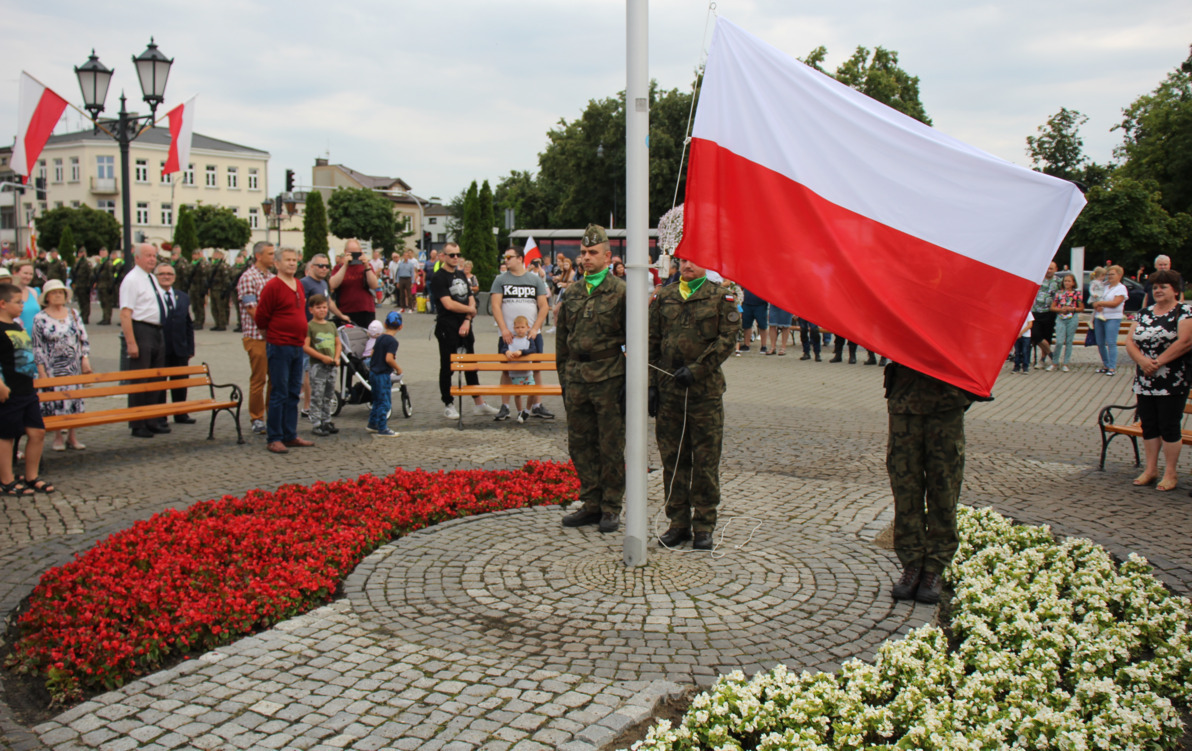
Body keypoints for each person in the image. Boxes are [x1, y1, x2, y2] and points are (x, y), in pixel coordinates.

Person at [648, 256, 739, 550]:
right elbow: (650, 340)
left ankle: (703, 524)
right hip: (670, 390)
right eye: (683, 260)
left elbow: (727, 340)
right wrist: (650, 385)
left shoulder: (720, 297)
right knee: (673, 460)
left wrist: (698, 369)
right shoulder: (664, 296)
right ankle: (678, 523)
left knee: (705, 460)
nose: (687, 265)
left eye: (694, 260)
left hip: (704, 392)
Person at [885, 363, 982, 604]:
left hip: (947, 401)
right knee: (905, 487)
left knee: (944, 487)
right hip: (905, 400)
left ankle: (935, 566)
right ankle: (912, 563)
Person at [557, 224, 627, 534]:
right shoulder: (571, 292)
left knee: (609, 444)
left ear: (608, 257)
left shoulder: (621, 291)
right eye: (583, 253)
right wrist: (564, 378)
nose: (586, 258)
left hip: (608, 377)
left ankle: (611, 506)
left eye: (592, 253)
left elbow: (635, 340)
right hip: (576, 377)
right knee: (580, 443)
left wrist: (631, 382)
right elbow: (562, 341)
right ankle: (591, 502)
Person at [1124, 270, 1192, 492]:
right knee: (1150, 425)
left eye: (1163, 286)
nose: (1158, 291)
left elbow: (1185, 342)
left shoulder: (1184, 312)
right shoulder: (1144, 313)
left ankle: (1170, 472)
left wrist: (1158, 362)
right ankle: (1150, 469)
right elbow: (1130, 341)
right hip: (1145, 379)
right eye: (1155, 287)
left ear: (1175, 290)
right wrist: (1143, 362)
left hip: (1172, 379)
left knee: (1169, 425)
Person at [432, 242, 499, 419]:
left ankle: (479, 403)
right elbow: (448, 304)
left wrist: (468, 319)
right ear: (443, 256)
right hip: (447, 326)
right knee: (448, 366)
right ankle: (448, 403)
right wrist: (469, 310)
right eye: (451, 255)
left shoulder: (462, 274)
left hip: (465, 325)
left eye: (457, 254)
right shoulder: (439, 277)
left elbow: (471, 299)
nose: (455, 258)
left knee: (471, 365)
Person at [255, 247, 312, 454]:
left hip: (297, 344)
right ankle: (275, 437)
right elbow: (261, 316)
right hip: (279, 345)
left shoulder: (298, 284)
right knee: (279, 391)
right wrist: (268, 334)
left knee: (293, 391)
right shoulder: (273, 286)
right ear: (277, 264)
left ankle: (290, 434)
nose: (291, 263)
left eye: (294, 260)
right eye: (287, 260)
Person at [0, 282, 53, 496]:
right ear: (2, 304)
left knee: (37, 432)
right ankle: (6, 480)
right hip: (8, 390)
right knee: (6, 435)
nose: (22, 305)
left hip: (26, 390)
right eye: (18, 302)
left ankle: (31, 476)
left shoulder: (18, 326)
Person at [490, 246, 553, 422]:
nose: (506, 260)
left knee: (536, 367)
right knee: (506, 369)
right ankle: (505, 407)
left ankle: (537, 405)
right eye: (505, 257)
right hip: (508, 335)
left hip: (532, 335)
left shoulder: (534, 280)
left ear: (520, 258)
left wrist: (535, 329)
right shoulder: (500, 280)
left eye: (509, 256)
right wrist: (503, 329)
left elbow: (544, 307)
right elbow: (495, 305)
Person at [32, 279, 91, 451]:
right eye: (54, 293)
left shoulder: (73, 313)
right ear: (47, 297)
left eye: (61, 292)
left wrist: (85, 358)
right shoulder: (40, 318)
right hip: (52, 367)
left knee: (74, 401)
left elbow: (83, 337)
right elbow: (37, 346)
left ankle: (72, 437)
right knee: (55, 402)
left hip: (73, 366)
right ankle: (58, 436)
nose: (58, 295)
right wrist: (41, 371)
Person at [119, 243, 169, 439]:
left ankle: (151, 419)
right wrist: (131, 342)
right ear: (137, 258)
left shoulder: (150, 278)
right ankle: (138, 422)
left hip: (156, 331)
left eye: (154, 256)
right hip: (141, 330)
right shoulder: (132, 280)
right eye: (147, 256)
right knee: (140, 379)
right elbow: (125, 314)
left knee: (156, 378)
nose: (152, 259)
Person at [237, 241, 276, 435]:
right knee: (258, 378)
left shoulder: (272, 277)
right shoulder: (248, 277)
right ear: (259, 256)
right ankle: (257, 417)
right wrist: (266, 326)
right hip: (256, 335)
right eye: (270, 254)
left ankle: (272, 413)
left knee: (274, 378)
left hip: (273, 336)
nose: (273, 257)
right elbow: (252, 308)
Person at [155, 263, 196, 425]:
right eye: (162, 274)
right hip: (160, 347)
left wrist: (190, 347)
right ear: (156, 277)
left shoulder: (183, 296)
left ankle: (180, 413)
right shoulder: (153, 296)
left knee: (180, 381)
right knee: (160, 384)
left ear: (175, 277)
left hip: (180, 347)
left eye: (169, 274)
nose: (166, 277)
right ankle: (161, 415)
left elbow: (188, 324)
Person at [303, 293, 341, 438]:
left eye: (324, 307)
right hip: (318, 366)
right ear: (311, 309)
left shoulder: (331, 325)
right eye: (318, 308)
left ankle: (327, 420)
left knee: (329, 394)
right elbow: (305, 347)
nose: (322, 310)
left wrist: (336, 358)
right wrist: (321, 357)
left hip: (331, 365)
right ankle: (316, 423)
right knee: (317, 395)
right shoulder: (310, 326)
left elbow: (338, 344)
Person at [498, 315, 541, 423]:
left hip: (527, 373)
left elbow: (533, 350)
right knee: (517, 394)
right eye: (517, 328)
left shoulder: (529, 340)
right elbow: (503, 348)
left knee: (532, 392)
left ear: (527, 328)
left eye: (522, 327)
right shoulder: (510, 340)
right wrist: (507, 352)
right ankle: (519, 412)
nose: (520, 330)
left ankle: (527, 410)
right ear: (514, 328)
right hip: (515, 373)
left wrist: (521, 352)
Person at [367, 311, 403, 437]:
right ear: (401, 326)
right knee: (385, 402)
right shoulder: (393, 341)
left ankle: (372, 424)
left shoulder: (380, 337)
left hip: (373, 373)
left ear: (385, 324)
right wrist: (398, 368)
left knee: (376, 400)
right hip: (382, 374)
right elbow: (389, 359)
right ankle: (382, 427)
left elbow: (372, 353)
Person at [329, 239, 379, 329]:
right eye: (351, 253)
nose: (354, 256)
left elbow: (374, 285)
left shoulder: (366, 266)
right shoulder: (339, 267)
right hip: (345, 311)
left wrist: (367, 266)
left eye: (356, 253)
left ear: (361, 252)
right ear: (345, 252)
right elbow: (332, 284)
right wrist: (345, 265)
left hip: (365, 310)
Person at [1091, 264, 1128, 376]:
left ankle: (1112, 367)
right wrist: (1096, 305)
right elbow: (1095, 298)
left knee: (1111, 342)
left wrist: (1101, 303)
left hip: (1113, 318)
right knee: (1100, 342)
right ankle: (1106, 364)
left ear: (1119, 275)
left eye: (1112, 274)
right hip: (1099, 316)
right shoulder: (1104, 286)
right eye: (1108, 274)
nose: (1109, 276)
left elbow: (1115, 303)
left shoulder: (1121, 288)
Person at [1050, 273, 1084, 372]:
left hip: (1072, 317)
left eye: (1069, 281)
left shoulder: (1077, 294)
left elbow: (1081, 308)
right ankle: (1055, 362)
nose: (1067, 283)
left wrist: (1072, 309)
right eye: (1065, 281)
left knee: (1069, 341)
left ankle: (1066, 362)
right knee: (1059, 341)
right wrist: (1060, 310)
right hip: (1061, 317)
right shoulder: (1059, 293)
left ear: (1073, 283)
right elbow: (1053, 307)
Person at [1031, 261, 1061, 370]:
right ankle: (1051, 355)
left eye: (1051, 268)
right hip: (1036, 311)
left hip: (1049, 312)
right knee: (1035, 335)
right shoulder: (1039, 279)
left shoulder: (1058, 281)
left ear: (1056, 269)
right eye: (1047, 268)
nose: (1049, 271)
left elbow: (1062, 295)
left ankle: (1042, 359)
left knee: (1046, 336)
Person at [10, 260, 40, 333]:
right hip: (16, 335)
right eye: (25, 273)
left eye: (31, 274)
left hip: (34, 337)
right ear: (15, 273)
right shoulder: (9, 292)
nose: (28, 277)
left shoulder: (34, 292)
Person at [207, 249, 233, 331]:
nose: (215, 255)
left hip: (220, 289)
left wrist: (225, 290)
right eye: (214, 253)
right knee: (214, 307)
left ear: (221, 256)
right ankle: (217, 323)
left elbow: (226, 279)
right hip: (213, 289)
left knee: (220, 307)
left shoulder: (222, 266)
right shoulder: (211, 265)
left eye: (217, 254)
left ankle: (222, 324)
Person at [738, 288, 768, 353]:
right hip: (747, 303)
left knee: (762, 325)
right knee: (746, 325)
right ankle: (746, 345)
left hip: (761, 304)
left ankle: (764, 346)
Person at [71, 247, 93, 325]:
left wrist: (89, 285)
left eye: (83, 253)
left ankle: (85, 317)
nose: (81, 254)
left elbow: (90, 275)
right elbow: (73, 273)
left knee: (85, 302)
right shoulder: (77, 263)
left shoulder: (87, 263)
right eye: (80, 253)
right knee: (80, 301)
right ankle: (82, 314)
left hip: (84, 285)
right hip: (78, 285)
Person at [95, 249, 118, 325]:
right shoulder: (101, 262)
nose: (102, 253)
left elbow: (111, 274)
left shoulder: (108, 263)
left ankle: (107, 318)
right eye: (101, 252)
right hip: (101, 285)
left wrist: (111, 286)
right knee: (103, 302)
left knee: (107, 303)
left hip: (106, 285)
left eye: (103, 252)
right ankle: (104, 317)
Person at [189, 253, 209, 330]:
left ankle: (200, 322)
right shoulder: (192, 264)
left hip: (200, 287)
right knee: (194, 306)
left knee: (200, 306)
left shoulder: (202, 264)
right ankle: (196, 320)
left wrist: (204, 289)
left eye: (196, 254)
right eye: (193, 254)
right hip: (193, 288)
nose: (194, 256)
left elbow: (205, 276)